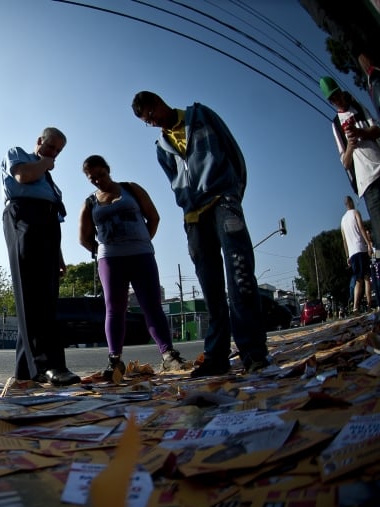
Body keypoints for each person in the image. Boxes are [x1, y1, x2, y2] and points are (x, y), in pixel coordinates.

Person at [131, 91, 268, 377]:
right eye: (147, 121)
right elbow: (175, 180)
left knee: (240, 276)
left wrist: (233, 193)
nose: (153, 121)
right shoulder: (161, 147)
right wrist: (186, 208)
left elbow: (234, 153)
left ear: (158, 101)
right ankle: (217, 356)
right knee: (211, 289)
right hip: (193, 217)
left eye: (151, 114)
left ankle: (253, 353)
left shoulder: (200, 116)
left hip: (223, 200)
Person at [78, 155, 186, 377]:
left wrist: (143, 241)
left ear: (108, 170)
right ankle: (115, 360)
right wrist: (100, 251)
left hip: (141, 255)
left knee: (152, 306)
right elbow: (84, 237)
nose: (98, 180)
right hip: (110, 259)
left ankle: (168, 355)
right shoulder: (90, 202)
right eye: (92, 179)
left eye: (101, 175)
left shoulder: (131, 189)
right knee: (114, 309)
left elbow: (153, 217)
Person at [1, 127, 80, 386]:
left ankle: (24, 371)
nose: (53, 153)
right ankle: (49, 365)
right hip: (24, 215)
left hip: (48, 225)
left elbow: (55, 214)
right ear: (39, 141)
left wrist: (58, 254)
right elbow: (23, 176)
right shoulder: (20, 155)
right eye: (50, 146)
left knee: (45, 296)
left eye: (58, 151)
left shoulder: (50, 182)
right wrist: (45, 162)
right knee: (31, 292)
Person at [320, 76, 380, 246]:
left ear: (341, 92)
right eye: (332, 99)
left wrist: (360, 132)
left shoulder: (358, 108)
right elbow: (345, 163)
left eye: (337, 95)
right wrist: (350, 146)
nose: (337, 100)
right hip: (366, 182)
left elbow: (377, 130)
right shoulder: (336, 124)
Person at [340, 195, 373, 314]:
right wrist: (368, 243)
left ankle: (355, 306)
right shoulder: (355, 213)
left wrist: (347, 256)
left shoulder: (343, 220)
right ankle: (369, 305)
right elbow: (361, 227)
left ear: (345, 205)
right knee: (366, 278)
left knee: (358, 279)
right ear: (352, 203)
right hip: (360, 248)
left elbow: (344, 240)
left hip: (352, 253)